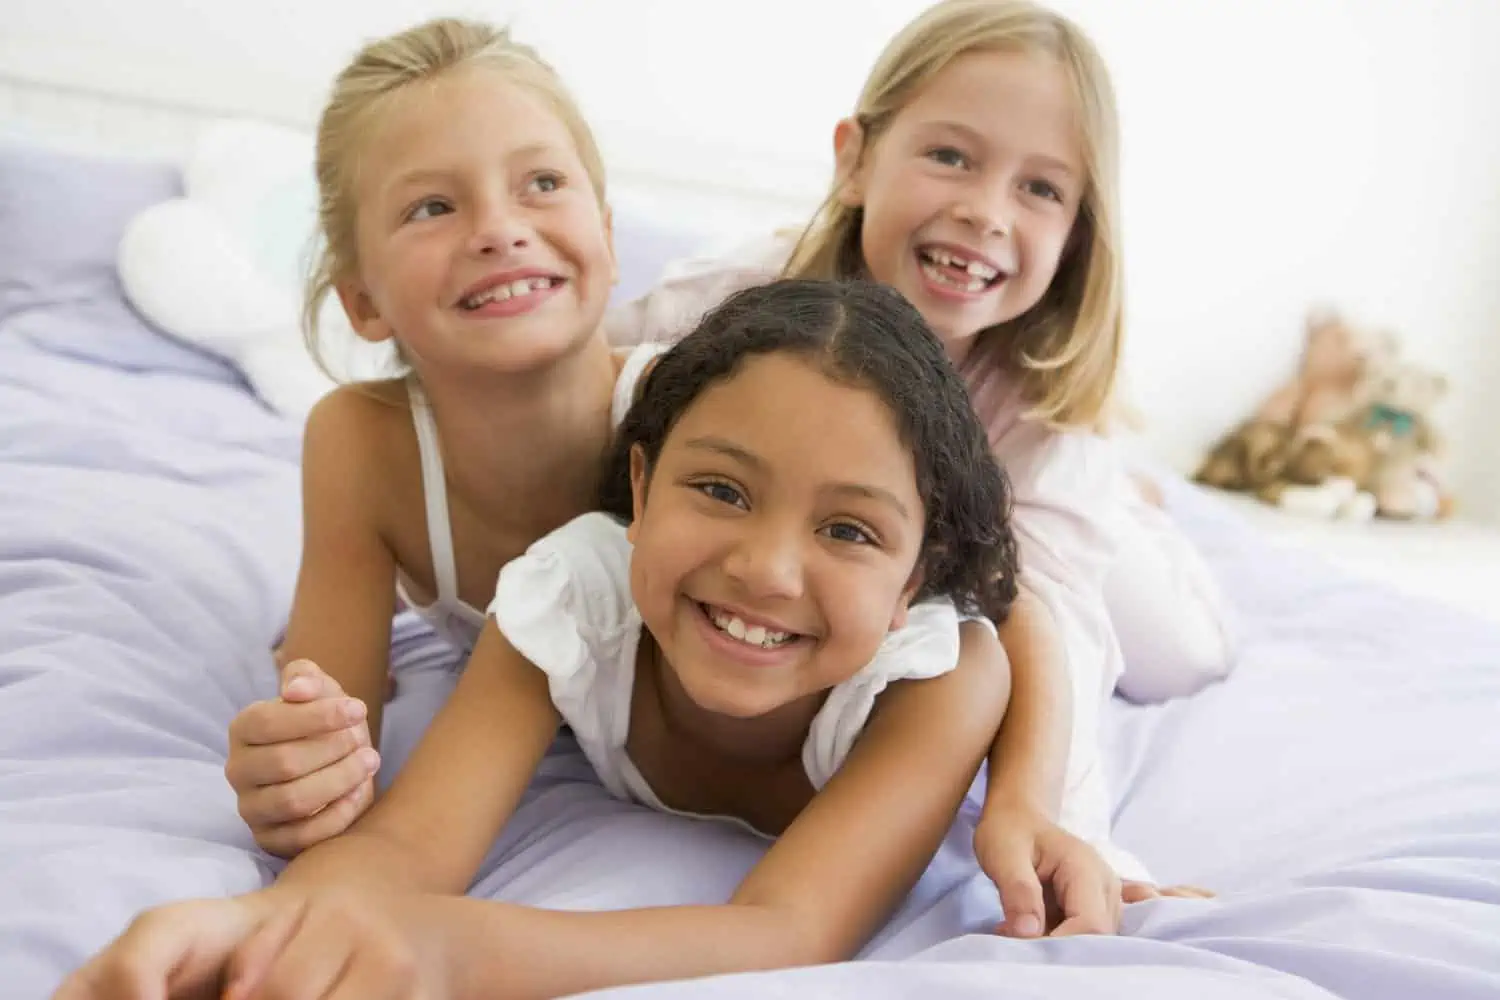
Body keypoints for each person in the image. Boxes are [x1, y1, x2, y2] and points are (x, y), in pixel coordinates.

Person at [220, 11, 1161, 938]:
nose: (501, 231)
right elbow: (340, 741)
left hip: (1027, 542)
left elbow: (1024, 605)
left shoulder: (702, 406)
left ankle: (1151, 516)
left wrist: (1058, 814)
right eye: (434, 205)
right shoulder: (610, 477)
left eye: (542, 184)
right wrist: (299, 773)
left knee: (1165, 633)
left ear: (607, 227)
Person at [55, 277, 1031, 1000]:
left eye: (849, 531)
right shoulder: (571, 595)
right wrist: (247, 930)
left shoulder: (941, 677)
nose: (768, 570)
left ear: (913, 577)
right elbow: (403, 852)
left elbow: (786, 928)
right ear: (641, 490)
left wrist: (440, 951)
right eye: (721, 490)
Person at [602, 0, 1232, 890]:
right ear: (855, 160)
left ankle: (1139, 508)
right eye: (950, 157)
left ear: (1078, 232)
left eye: (1040, 189)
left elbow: (1057, 635)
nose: (986, 213)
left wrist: (1060, 827)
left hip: (1059, 510)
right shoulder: (746, 295)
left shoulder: (1041, 422)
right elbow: (589, 376)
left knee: (1179, 656)